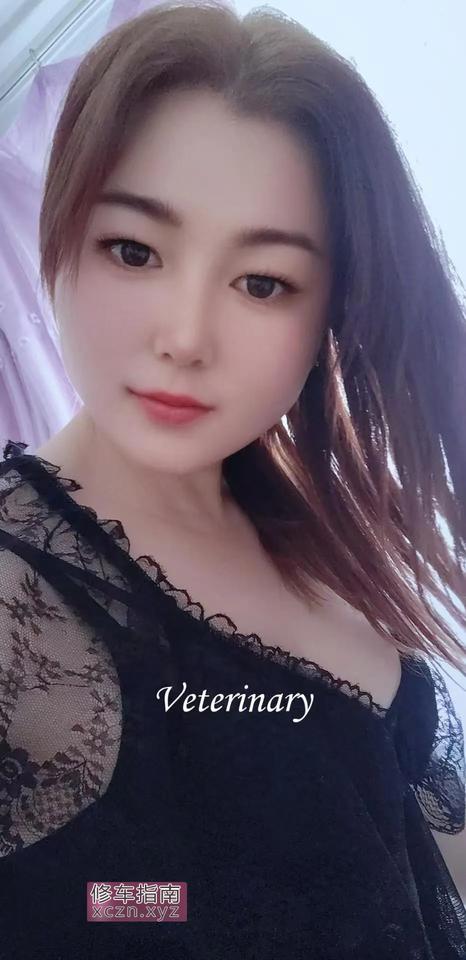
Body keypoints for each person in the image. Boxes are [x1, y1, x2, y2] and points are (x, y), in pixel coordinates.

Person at [1, 1, 466, 956]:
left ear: (331, 311)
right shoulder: (16, 599)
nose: (184, 337)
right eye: (134, 250)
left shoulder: (321, 522)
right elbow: (100, 903)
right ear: (61, 231)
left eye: (262, 282)